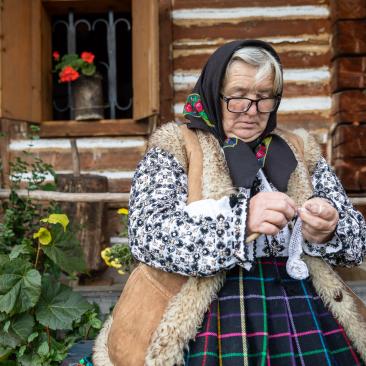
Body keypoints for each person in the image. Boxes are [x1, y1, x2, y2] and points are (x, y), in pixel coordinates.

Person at [93, 40, 366, 366]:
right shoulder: (179, 146)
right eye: (238, 97)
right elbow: (147, 235)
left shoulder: (298, 149)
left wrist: (330, 229)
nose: (252, 111)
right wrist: (241, 223)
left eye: (264, 97)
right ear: (214, 92)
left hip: (302, 305)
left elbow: (357, 240)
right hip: (212, 311)